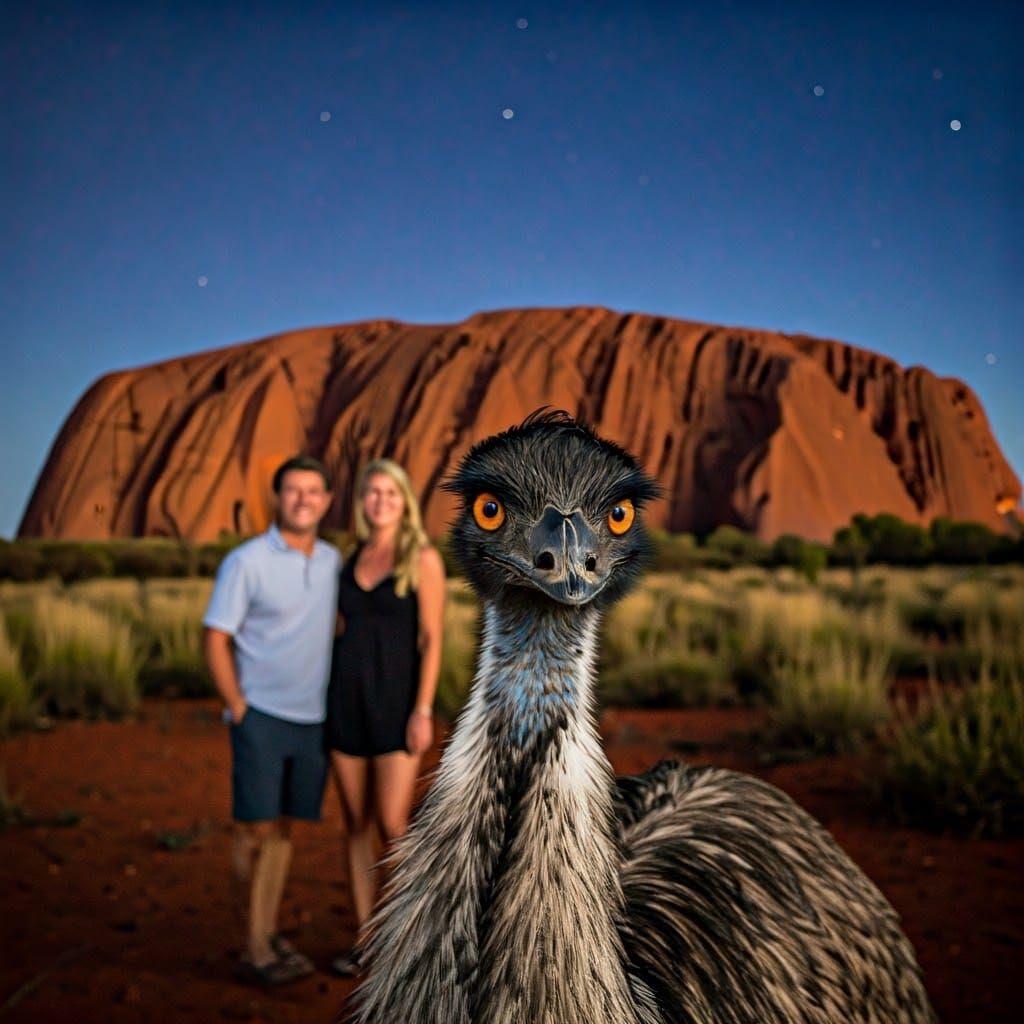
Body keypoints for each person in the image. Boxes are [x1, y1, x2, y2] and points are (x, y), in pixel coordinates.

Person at [202, 455, 340, 986]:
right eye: (293, 490)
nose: (303, 499)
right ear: (277, 498)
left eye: (313, 491)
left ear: (327, 502)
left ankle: (264, 930)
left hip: (313, 720)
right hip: (261, 715)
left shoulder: (331, 561)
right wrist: (239, 707)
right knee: (252, 831)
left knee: (284, 830)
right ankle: (254, 947)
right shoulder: (247, 561)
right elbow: (216, 636)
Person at [325, 458, 446, 976]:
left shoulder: (421, 558)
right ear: (363, 502)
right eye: (372, 493)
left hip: (397, 704)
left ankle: (406, 937)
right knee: (355, 824)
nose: (380, 501)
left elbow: (431, 638)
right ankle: (364, 938)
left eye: (390, 494)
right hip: (345, 702)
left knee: (394, 825)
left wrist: (422, 709)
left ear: (404, 502)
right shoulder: (347, 561)